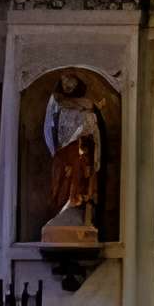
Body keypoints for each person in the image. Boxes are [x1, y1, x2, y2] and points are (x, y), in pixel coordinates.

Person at [44, 72, 104, 232]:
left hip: (79, 149)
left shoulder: (86, 105)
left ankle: (76, 205)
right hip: (62, 151)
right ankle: (60, 212)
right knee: (59, 181)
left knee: (78, 179)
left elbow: (91, 124)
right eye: (65, 83)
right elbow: (51, 129)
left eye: (71, 82)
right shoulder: (57, 103)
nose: (68, 86)